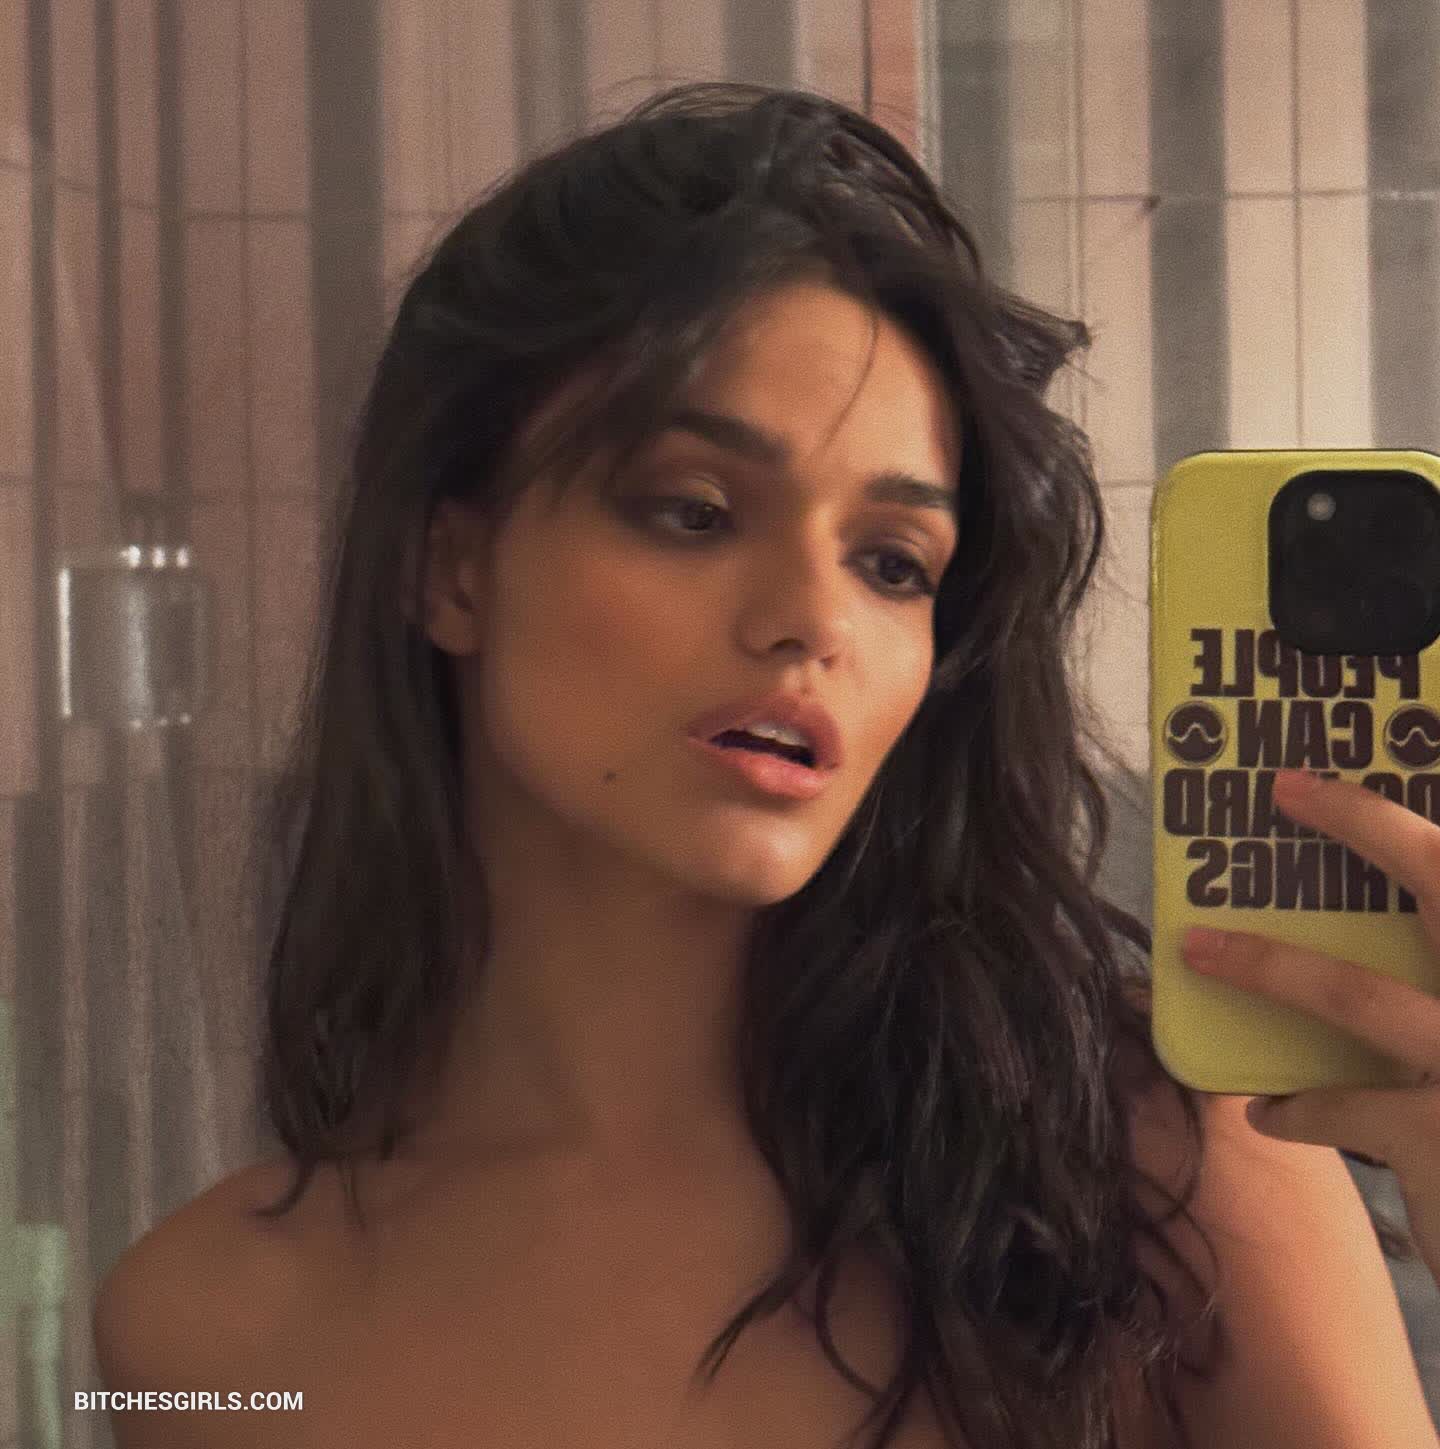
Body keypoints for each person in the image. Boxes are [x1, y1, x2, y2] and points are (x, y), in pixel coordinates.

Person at [90, 82, 1440, 1449]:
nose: (812, 620)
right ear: (452, 569)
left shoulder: (1152, 1172)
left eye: (893, 563)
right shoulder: (200, 1333)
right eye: (694, 511)